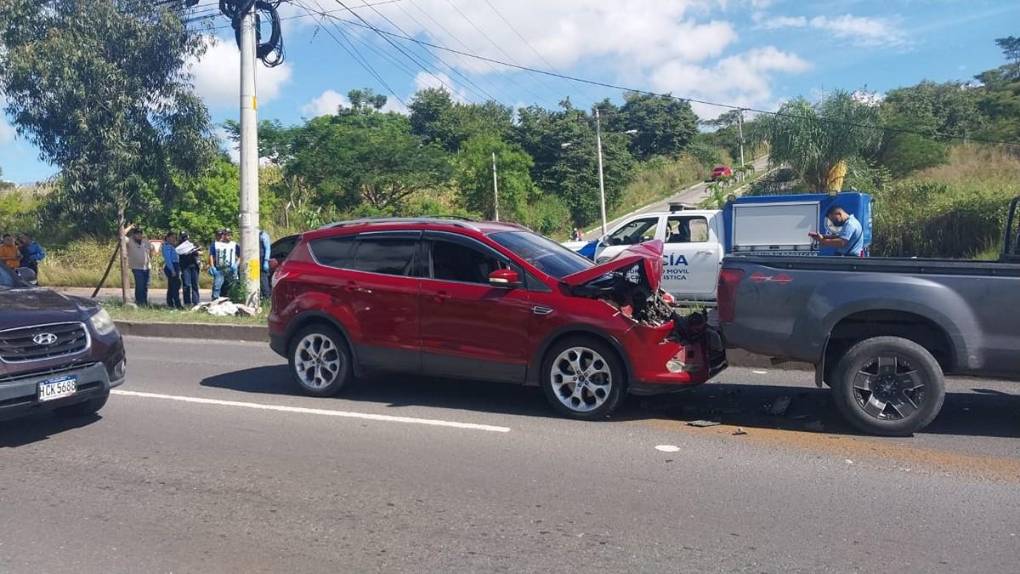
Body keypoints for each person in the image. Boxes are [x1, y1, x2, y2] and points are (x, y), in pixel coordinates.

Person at [126, 227, 155, 306]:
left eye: (140, 233)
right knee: (140, 286)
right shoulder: (130, 241)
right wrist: (130, 227)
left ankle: (144, 303)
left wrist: (150, 257)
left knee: (145, 286)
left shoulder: (145, 241)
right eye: (137, 233)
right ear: (134, 234)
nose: (139, 235)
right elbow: (121, 235)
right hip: (137, 267)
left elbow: (151, 250)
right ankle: (139, 302)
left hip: (147, 267)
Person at [209, 228, 239, 299]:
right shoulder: (216, 244)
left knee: (231, 287)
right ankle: (215, 302)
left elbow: (241, 255)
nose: (228, 237)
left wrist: (236, 265)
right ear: (223, 235)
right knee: (217, 287)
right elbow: (211, 256)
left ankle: (231, 301)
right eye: (226, 235)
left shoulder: (234, 244)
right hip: (219, 269)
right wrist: (212, 266)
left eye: (229, 235)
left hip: (230, 269)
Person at [177, 231, 201, 307]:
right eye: (183, 237)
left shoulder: (192, 244)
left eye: (186, 237)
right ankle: (187, 303)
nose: (185, 239)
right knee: (186, 285)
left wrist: (195, 251)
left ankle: (196, 302)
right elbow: (179, 253)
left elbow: (200, 251)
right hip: (185, 267)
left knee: (195, 284)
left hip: (194, 266)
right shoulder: (178, 246)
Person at [161, 231, 182, 309]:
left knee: (171, 286)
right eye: (172, 237)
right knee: (175, 286)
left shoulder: (172, 246)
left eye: (175, 238)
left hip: (175, 266)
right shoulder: (166, 246)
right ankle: (177, 304)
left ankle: (170, 303)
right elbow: (168, 259)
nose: (174, 239)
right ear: (168, 238)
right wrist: (172, 270)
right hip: (171, 266)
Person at [259, 228, 272, 298]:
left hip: (262, 261)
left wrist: (266, 261)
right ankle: (261, 296)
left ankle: (267, 297)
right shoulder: (251, 234)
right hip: (255, 261)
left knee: (264, 280)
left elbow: (268, 249)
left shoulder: (263, 235)